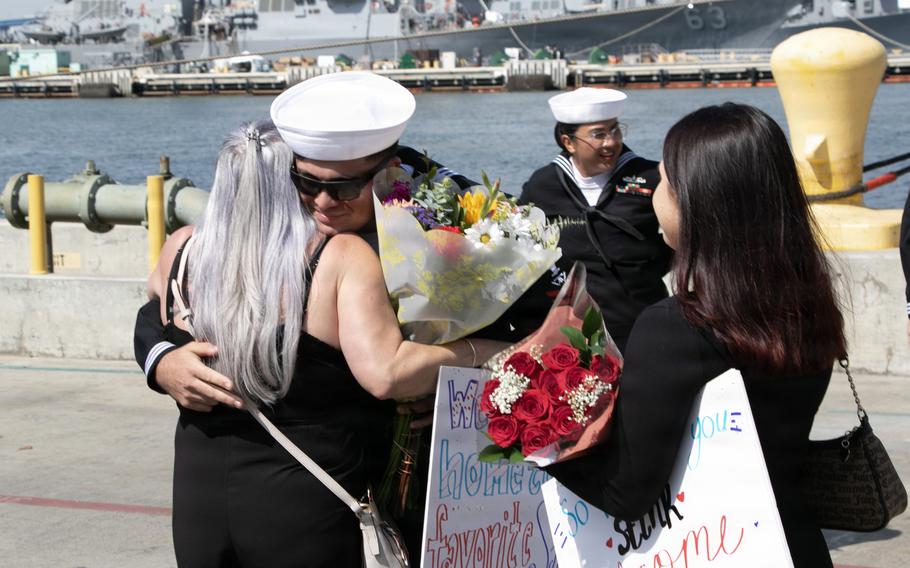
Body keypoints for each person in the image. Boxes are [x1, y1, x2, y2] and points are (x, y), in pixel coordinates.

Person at [149, 117, 505, 567]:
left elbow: (152, 315)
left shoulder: (180, 249)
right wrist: (484, 351)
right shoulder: (335, 257)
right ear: (285, 181)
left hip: (199, 497)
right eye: (303, 179)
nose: (318, 198)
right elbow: (384, 373)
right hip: (304, 501)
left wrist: (161, 358)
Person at [544, 103, 846, 567]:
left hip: (713, 550)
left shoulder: (675, 327)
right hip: (792, 543)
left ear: (701, 202)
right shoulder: (807, 306)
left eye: (665, 182)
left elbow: (624, 493)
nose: (654, 197)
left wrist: (536, 433)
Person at [480, 87, 672, 351]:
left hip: (644, 322)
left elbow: (681, 239)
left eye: (615, 130)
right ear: (568, 141)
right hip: (572, 331)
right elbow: (520, 247)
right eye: (598, 135)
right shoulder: (543, 184)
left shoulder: (651, 177)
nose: (611, 142)